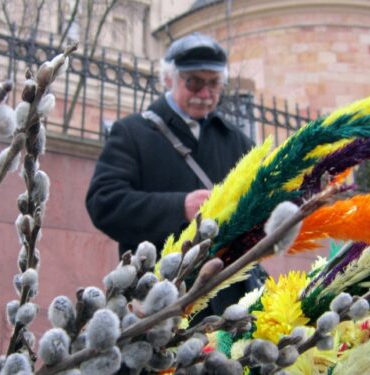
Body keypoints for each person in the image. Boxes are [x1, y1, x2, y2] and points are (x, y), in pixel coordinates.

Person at [85, 33, 260, 318]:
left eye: (214, 83)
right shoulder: (133, 133)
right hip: (157, 303)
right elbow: (104, 202)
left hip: (228, 306)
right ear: (168, 80)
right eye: (194, 82)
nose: (205, 94)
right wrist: (181, 207)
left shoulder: (237, 141)